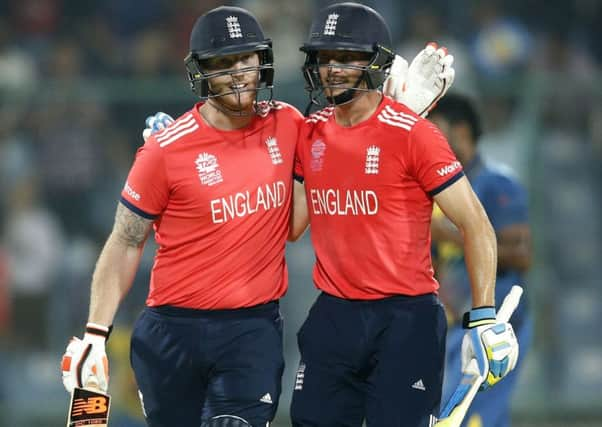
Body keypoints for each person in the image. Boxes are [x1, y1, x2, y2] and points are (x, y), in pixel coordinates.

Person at [60, 5, 454, 427]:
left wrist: (407, 112)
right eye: (223, 63)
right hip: (171, 331)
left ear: (261, 60)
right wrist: (96, 334)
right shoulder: (163, 150)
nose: (238, 73)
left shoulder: (287, 124)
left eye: (246, 59)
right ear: (200, 71)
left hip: (252, 328)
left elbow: (345, 152)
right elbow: (125, 239)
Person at [287, 3, 519, 427]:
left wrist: (484, 317)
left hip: (405, 319)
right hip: (333, 316)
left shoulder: (415, 135)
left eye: (346, 57)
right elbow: (292, 226)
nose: (332, 68)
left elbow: (476, 224)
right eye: (324, 57)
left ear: (375, 62)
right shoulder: (310, 133)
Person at [429, 93, 533, 427]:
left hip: (494, 318)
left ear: (460, 132)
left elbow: (521, 255)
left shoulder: (496, 183)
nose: (428, 138)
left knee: (476, 416)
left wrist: (452, 234)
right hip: (452, 319)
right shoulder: (437, 186)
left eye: (436, 129)